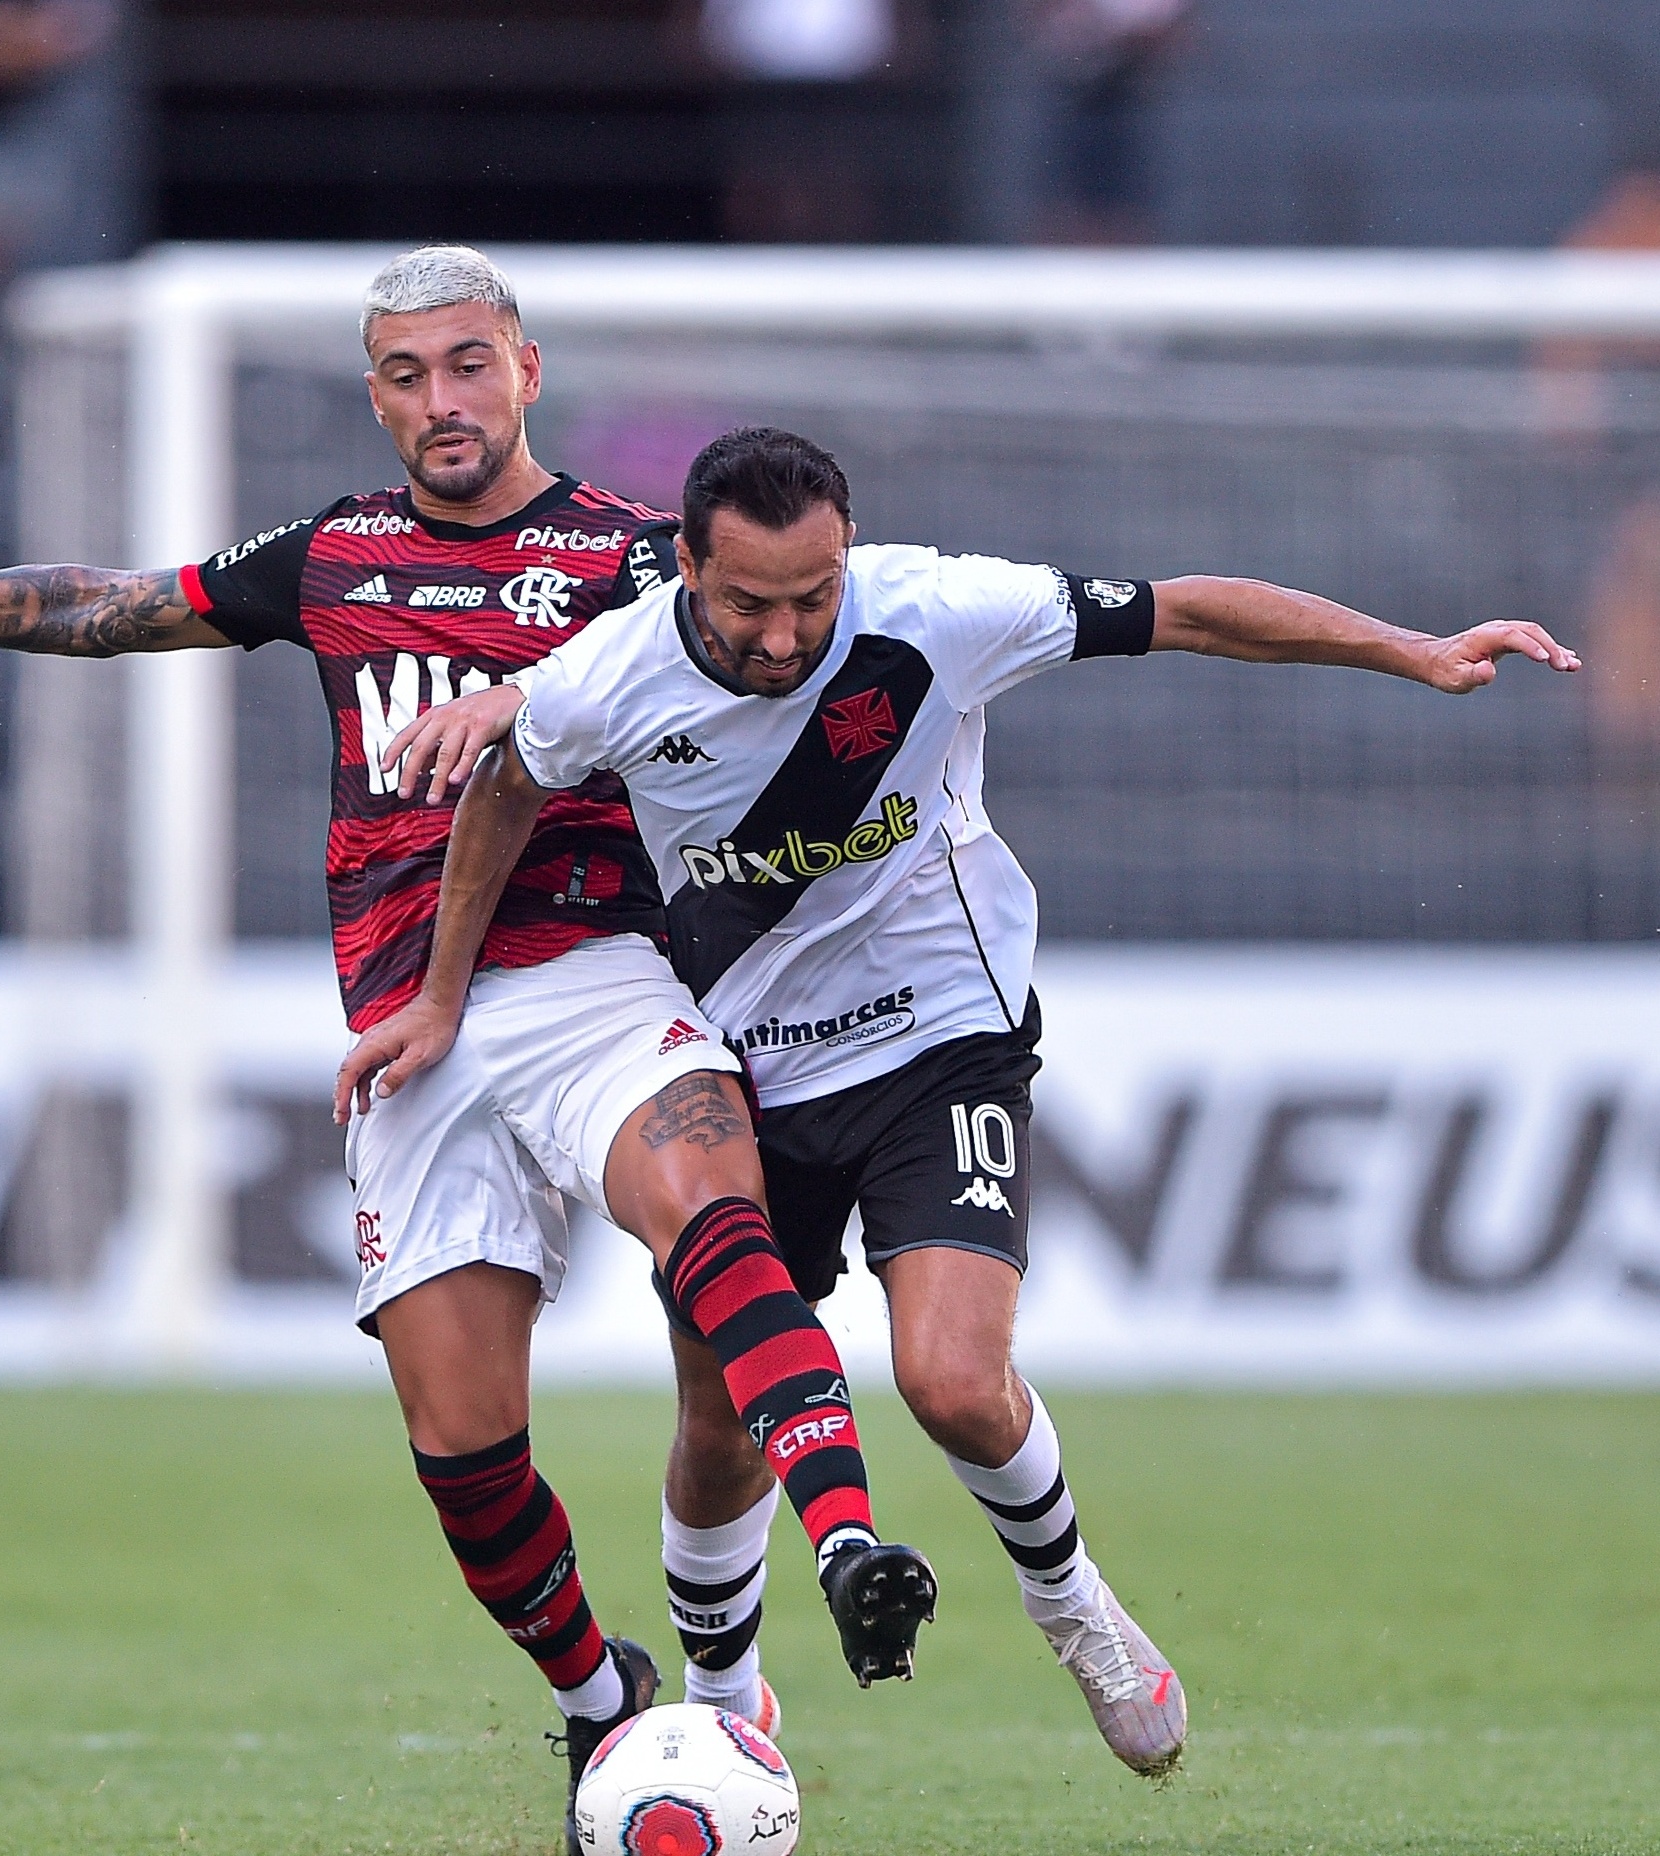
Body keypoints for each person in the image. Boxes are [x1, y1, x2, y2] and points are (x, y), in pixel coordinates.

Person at [0, 248, 934, 1856]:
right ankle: (600, 1698)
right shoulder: (333, 557)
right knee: (463, 1452)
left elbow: (803, 670)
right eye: (409, 374)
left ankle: (847, 1548)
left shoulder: (649, 564)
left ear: (526, 371)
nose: (444, 400)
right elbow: (108, 610)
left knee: (718, 1223)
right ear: (376, 390)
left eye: (471, 366)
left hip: (590, 974)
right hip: (406, 1036)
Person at [350, 425, 1581, 1778]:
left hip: (943, 1045)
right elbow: (509, 788)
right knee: (720, 1418)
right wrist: (445, 994)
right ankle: (725, 1703)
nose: (787, 632)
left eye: (814, 596)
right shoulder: (609, 676)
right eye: (752, 602)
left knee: (950, 1381)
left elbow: (1185, 612)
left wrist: (1411, 649)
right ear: (686, 566)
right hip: (745, 1068)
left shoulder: (938, 611)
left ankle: (1077, 1612)